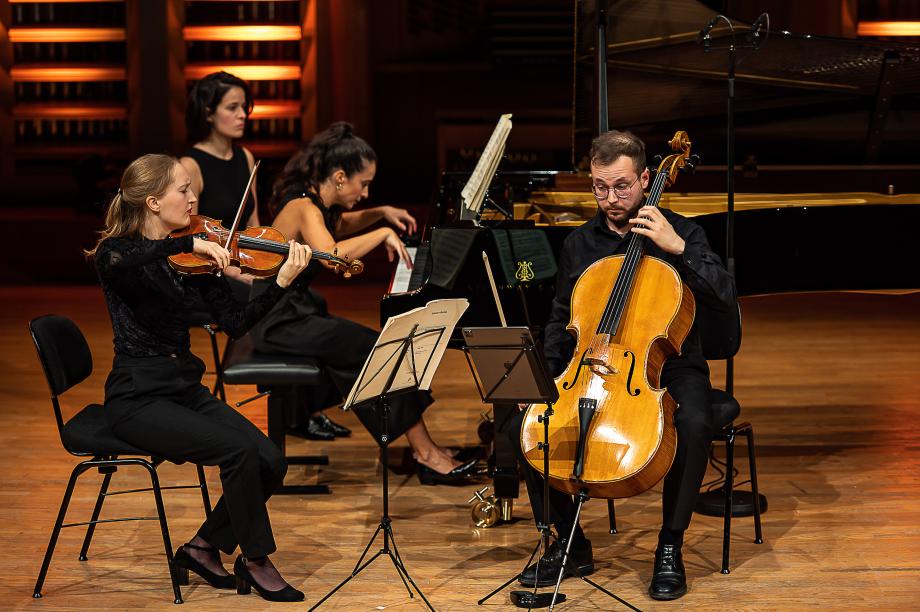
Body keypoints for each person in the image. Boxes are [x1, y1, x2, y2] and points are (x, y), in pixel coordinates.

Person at [510, 130, 737, 600]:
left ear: (647, 179)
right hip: (590, 364)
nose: (610, 199)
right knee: (528, 420)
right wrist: (543, 378)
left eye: (622, 187)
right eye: (599, 187)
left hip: (671, 365)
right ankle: (568, 543)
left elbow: (724, 296)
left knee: (694, 422)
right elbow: (561, 319)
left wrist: (678, 249)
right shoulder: (579, 244)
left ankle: (669, 546)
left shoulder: (684, 233)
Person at [87, 153, 312, 602]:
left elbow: (235, 323)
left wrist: (281, 283)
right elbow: (120, 261)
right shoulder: (120, 252)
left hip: (183, 390)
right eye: (183, 190)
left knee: (270, 459)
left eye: (192, 190)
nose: (194, 199)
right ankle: (256, 559)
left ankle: (203, 547)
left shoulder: (195, 254)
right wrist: (187, 246)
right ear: (153, 202)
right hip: (137, 399)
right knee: (239, 451)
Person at [250, 121, 478, 484]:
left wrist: (381, 212)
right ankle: (425, 452)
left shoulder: (311, 199)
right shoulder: (302, 205)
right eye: (364, 183)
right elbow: (332, 254)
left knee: (367, 352)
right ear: (340, 178)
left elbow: (336, 227)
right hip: (278, 321)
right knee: (380, 350)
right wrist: (383, 231)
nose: (366, 192)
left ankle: (424, 446)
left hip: (294, 312)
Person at [179, 71, 351, 440]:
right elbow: (187, 233)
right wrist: (241, 274)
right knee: (284, 304)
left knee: (311, 300)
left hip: (239, 266)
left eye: (245, 107)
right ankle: (300, 412)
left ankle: (303, 408)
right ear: (209, 113)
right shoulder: (191, 165)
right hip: (206, 275)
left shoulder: (245, 157)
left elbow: (253, 226)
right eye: (233, 107)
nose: (243, 114)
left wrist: (263, 263)